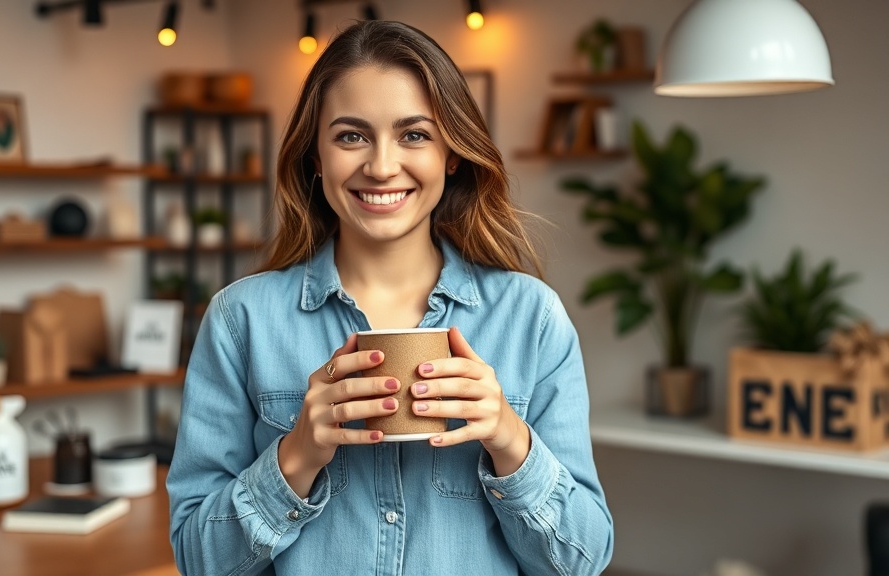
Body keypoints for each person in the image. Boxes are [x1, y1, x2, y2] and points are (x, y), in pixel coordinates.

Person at [167, 19, 613, 576]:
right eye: (351, 135)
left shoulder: (532, 319)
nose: (381, 166)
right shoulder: (241, 321)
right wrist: (296, 456)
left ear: (452, 153)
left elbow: (583, 561)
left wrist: (509, 439)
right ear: (315, 157)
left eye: (415, 134)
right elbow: (196, 559)